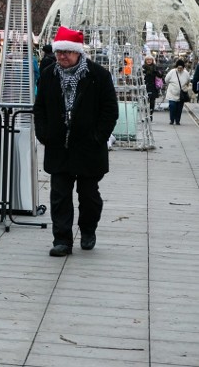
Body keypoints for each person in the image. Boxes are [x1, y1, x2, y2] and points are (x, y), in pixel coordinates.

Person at [33, 27, 118, 257]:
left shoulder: (98, 75)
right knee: (59, 195)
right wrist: (44, 134)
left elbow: (110, 111)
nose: (62, 56)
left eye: (68, 52)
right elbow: (39, 108)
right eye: (60, 52)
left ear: (79, 52)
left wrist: (98, 137)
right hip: (58, 146)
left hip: (89, 148)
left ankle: (88, 229)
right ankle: (62, 239)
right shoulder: (49, 74)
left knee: (89, 195)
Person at [164, 59, 190, 125]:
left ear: (183, 68)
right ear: (176, 67)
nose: (179, 69)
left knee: (179, 108)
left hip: (181, 94)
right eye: (178, 68)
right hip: (172, 93)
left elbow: (188, 81)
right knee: (172, 106)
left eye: (181, 68)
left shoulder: (186, 73)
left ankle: (177, 120)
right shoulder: (172, 72)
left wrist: (184, 88)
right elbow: (166, 80)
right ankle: (172, 119)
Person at [142, 55, 163, 120]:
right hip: (145, 86)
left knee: (152, 101)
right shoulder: (143, 67)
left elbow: (160, 75)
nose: (148, 61)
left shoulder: (155, 67)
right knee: (145, 101)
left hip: (153, 86)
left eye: (150, 59)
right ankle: (145, 115)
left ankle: (150, 114)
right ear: (145, 60)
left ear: (152, 60)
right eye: (147, 60)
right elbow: (139, 75)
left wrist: (156, 71)